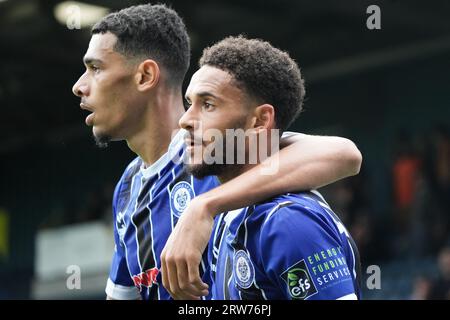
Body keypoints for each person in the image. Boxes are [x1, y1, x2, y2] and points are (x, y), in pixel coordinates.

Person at [72, 4, 362, 300]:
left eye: (95, 68)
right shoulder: (128, 190)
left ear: (146, 75)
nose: (79, 86)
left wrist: (203, 207)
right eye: (192, 102)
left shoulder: (225, 155)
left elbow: (344, 154)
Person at [176, 36, 361, 299]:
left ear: (261, 120)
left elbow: (346, 153)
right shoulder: (229, 214)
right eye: (188, 103)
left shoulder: (287, 222)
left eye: (207, 105)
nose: (185, 120)